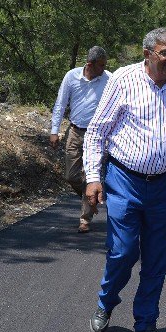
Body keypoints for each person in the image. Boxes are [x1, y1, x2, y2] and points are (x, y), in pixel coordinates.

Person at [83, 27, 166, 332]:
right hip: (124, 181)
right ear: (148, 54)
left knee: (156, 257)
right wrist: (93, 177)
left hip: (164, 185)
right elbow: (96, 132)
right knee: (123, 252)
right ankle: (106, 303)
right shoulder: (123, 80)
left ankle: (145, 325)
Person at [49, 46, 110, 233]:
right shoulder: (71, 77)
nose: (104, 68)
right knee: (71, 175)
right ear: (90, 64)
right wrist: (54, 130)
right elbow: (60, 104)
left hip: (98, 134)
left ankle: (85, 219)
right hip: (75, 131)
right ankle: (91, 198)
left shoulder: (108, 79)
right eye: (101, 65)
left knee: (92, 176)